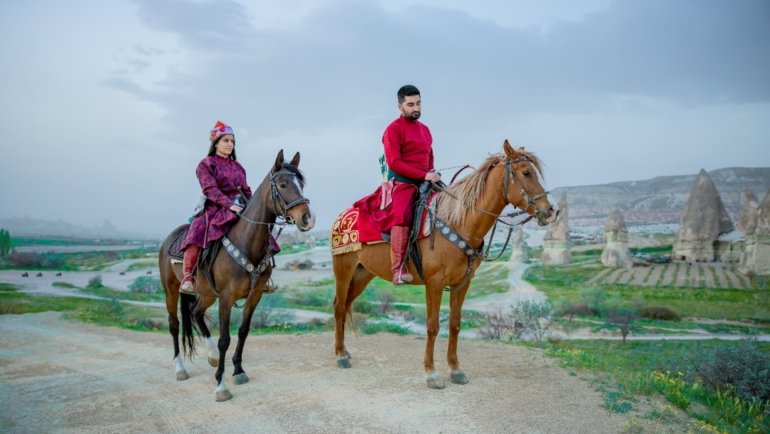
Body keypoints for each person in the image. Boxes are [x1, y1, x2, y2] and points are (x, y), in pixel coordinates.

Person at [354, 85, 441, 284]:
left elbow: (429, 156)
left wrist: (431, 173)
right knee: (403, 214)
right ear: (400, 106)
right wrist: (423, 175)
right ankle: (399, 269)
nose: (415, 108)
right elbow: (395, 163)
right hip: (402, 183)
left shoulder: (425, 130)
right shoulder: (393, 129)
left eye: (418, 103)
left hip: (425, 180)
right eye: (410, 104)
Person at [179, 121, 252, 294]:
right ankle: (189, 276)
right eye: (226, 140)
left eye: (232, 141)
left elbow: (247, 190)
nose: (230, 144)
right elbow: (210, 189)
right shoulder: (206, 164)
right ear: (216, 143)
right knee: (197, 230)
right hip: (214, 206)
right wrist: (229, 205)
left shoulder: (238, 167)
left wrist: (251, 206)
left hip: (238, 206)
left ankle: (262, 273)